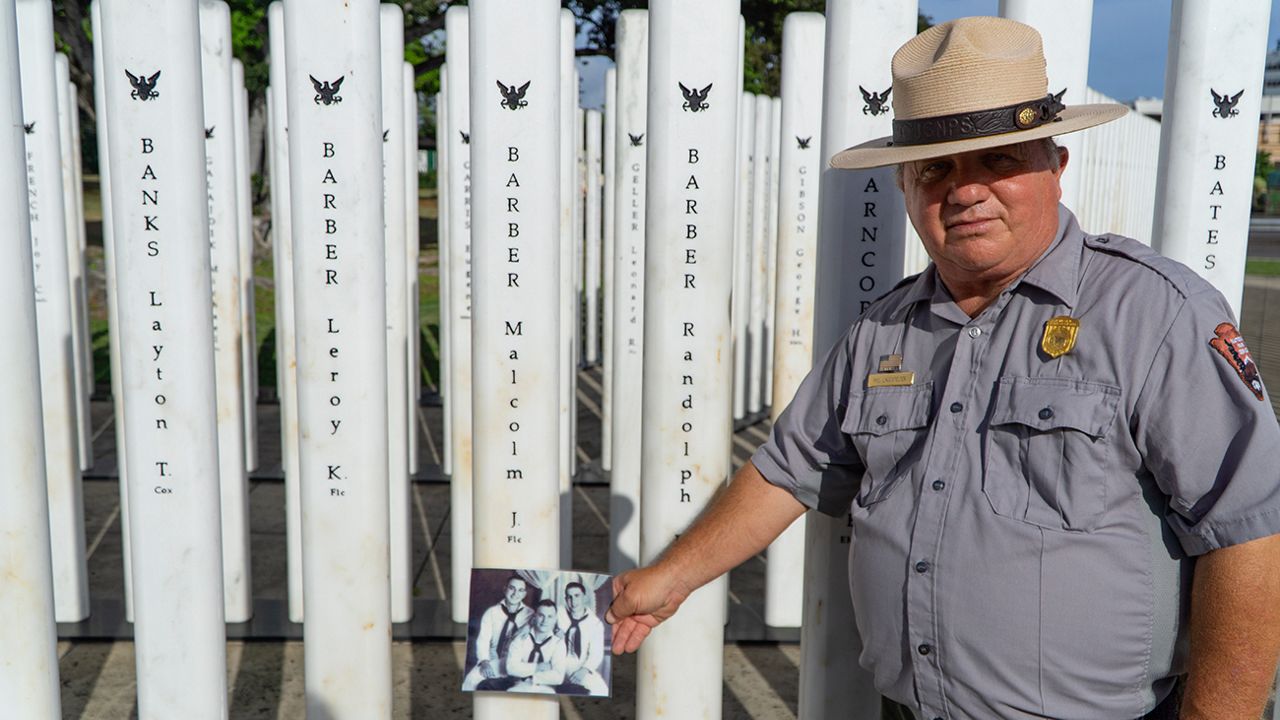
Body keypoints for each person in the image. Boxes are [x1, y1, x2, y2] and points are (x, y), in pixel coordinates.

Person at [605, 16, 1280, 720]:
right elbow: (787, 470)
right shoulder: (883, 332)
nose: (965, 191)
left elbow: (1250, 535)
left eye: (998, 160)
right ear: (904, 184)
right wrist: (669, 580)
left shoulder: (1154, 314)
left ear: (1055, 164)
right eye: (936, 168)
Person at [461, 575, 533, 691]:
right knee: (470, 680)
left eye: (520, 590)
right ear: (505, 589)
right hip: (492, 660)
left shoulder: (531, 615)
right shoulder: (492, 612)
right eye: (512, 588)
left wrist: (530, 625)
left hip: (516, 662)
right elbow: (483, 639)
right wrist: (484, 661)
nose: (515, 593)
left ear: (524, 594)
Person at [497, 599, 568, 694]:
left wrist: (529, 676)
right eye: (541, 615)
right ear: (534, 617)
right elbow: (511, 668)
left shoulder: (558, 643)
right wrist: (537, 667)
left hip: (546, 689)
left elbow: (558, 677)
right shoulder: (521, 638)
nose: (545, 620)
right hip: (519, 686)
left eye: (550, 616)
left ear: (555, 620)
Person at [555, 581, 609, 695]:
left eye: (577, 596)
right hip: (556, 662)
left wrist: (583, 670)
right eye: (569, 597)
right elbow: (538, 621)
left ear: (584, 597)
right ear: (565, 599)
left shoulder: (595, 624)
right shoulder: (558, 613)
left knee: (601, 690)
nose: (573, 601)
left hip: (579, 665)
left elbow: (596, 653)